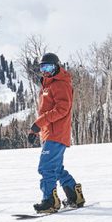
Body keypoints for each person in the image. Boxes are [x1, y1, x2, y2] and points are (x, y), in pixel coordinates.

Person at [28, 52, 84, 213]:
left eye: (49, 67)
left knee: (46, 167)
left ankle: (50, 201)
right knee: (56, 168)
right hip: (49, 133)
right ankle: (74, 195)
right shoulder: (48, 85)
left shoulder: (60, 84)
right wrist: (36, 130)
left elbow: (62, 109)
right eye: (42, 67)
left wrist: (38, 123)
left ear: (57, 66)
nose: (45, 71)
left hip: (57, 134)